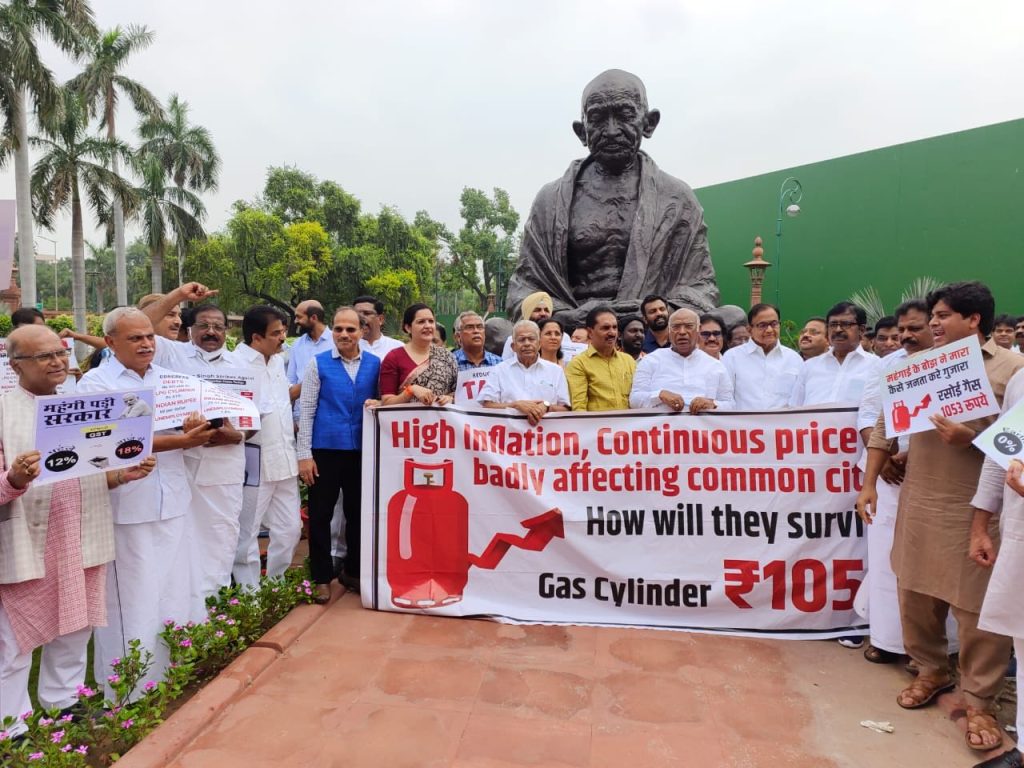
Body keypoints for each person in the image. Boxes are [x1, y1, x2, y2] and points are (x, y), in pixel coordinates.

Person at [857, 282, 1024, 753]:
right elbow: (885, 431)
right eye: (933, 314)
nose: (933, 322)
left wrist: (969, 437)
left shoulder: (1013, 371)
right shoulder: (915, 368)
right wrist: (869, 483)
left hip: (976, 509)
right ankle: (929, 669)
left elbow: (1015, 448)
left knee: (975, 610)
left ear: (975, 321)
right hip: (919, 500)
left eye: (944, 315)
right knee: (913, 592)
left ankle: (979, 699)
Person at [0, 325, 154, 736]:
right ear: (15, 365)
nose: (57, 362)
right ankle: (11, 724)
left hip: (80, 533)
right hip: (27, 540)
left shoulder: (81, 405)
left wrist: (124, 475)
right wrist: (13, 478)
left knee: (75, 625)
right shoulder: (3, 412)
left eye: (60, 352)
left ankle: (62, 701)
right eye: (43, 356)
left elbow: (85, 472)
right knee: (13, 639)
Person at [506, 69, 718, 327]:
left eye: (625, 115)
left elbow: (703, 287)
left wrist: (652, 312)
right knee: (496, 330)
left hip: (650, 328)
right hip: (573, 331)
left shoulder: (677, 198)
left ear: (649, 123)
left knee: (732, 317)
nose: (611, 130)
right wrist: (568, 317)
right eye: (597, 118)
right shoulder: (550, 201)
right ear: (582, 131)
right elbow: (523, 289)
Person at [78, 307, 214, 697]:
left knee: (174, 590)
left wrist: (195, 428)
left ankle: (173, 676)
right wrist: (180, 440)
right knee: (131, 600)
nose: (146, 344)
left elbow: (187, 429)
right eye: (135, 338)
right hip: (127, 506)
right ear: (109, 343)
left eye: (149, 337)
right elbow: (109, 442)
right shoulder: (93, 385)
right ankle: (127, 689)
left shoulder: (172, 380)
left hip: (172, 499)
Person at [297, 308, 380, 602]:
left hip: (362, 451)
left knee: (358, 513)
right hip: (325, 450)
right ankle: (321, 577)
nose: (344, 334)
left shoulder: (375, 364)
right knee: (320, 514)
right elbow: (306, 410)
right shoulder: (317, 364)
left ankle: (354, 570)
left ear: (362, 332)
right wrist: (304, 454)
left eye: (350, 329)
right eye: (338, 329)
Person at [232, 306, 302, 587]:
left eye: (283, 331)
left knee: (290, 529)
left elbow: (280, 401)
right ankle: (249, 594)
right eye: (276, 333)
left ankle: (275, 584)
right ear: (255, 337)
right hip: (254, 462)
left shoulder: (276, 361)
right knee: (247, 533)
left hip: (284, 458)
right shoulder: (234, 364)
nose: (283, 338)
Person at [970, 430, 1024, 768]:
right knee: (1023, 638)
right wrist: (979, 526)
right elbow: (1000, 453)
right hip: (1019, 534)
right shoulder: (1021, 382)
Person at [789, 302, 882, 436]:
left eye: (845, 324)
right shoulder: (809, 367)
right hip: (812, 449)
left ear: (861, 330)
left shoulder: (877, 366)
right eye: (833, 325)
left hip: (857, 451)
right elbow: (794, 411)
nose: (838, 330)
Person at [630, 308, 733, 413]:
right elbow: (634, 400)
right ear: (669, 331)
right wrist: (660, 395)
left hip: (703, 428)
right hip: (661, 428)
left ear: (699, 329)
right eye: (676, 327)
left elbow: (730, 404)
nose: (682, 332)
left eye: (689, 326)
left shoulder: (715, 366)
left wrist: (712, 404)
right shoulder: (650, 361)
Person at [479, 320, 570, 425]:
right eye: (522, 340)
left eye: (531, 339)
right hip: (509, 436)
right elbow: (487, 405)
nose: (527, 344)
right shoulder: (499, 370)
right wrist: (515, 405)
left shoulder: (556, 371)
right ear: (513, 347)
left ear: (539, 344)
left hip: (547, 436)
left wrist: (546, 406)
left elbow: (566, 409)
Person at [723, 303, 802, 410]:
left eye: (774, 324)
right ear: (749, 329)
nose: (769, 330)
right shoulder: (732, 357)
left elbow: (800, 400)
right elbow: (725, 398)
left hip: (783, 425)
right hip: (743, 425)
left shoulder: (794, 359)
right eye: (762, 325)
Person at [379, 304, 457, 405]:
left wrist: (450, 398)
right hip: (406, 420)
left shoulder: (447, 357)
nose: (428, 326)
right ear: (408, 328)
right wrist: (411, 391)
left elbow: (460, 394)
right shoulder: (394, 357)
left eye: (431, 321)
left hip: (441, 419)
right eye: (421, 322)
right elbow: (386, 402)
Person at [565, 306, 637, 411]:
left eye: (614, 327)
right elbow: (579, 408)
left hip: (629, 426)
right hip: (596, 427)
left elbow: (637, 398)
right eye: (605, 328)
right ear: (590, 332)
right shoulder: (578, 364)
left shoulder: (628, 361)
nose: (612, 333)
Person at [286, 300, 333, 408]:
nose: (295, 321)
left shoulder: (336, 342)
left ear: (313, 318)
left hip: (329, 413)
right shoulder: (297, 344)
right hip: (300, 414)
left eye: (299, 317)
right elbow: (290, 382)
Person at [355, 295, 404, 359]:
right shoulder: (345, 347)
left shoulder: (398, 348)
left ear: (380, 319)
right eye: (356, 314)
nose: (360, 318)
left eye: (367, 313)